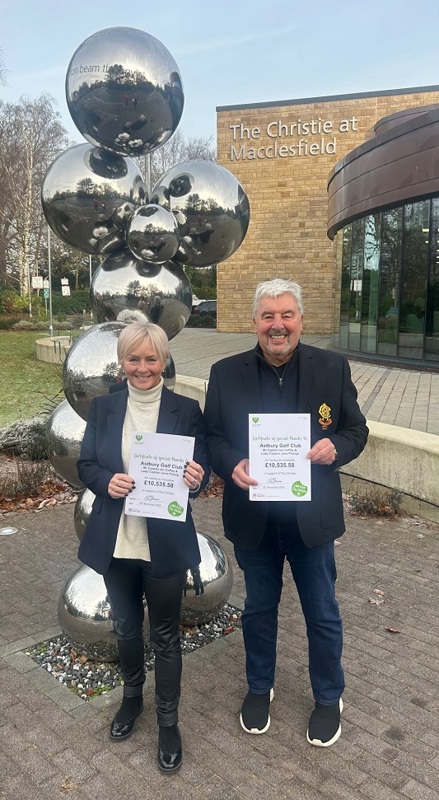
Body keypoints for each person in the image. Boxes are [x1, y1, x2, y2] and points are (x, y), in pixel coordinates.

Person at [204, 279, 368, 747]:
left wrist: (334, 446)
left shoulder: (332, 368)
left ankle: (329, 696)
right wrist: (231, 462)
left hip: (310, 520)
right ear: (255, 322)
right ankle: (260, 687)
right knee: (258, 609)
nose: (278, 325)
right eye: (268, 316)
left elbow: (357, 430)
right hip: (254, 518)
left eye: (286, 315)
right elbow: (213, 435)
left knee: (322, 612)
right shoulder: (225, 372)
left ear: (300, 319)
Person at [77, 321, 209, 773]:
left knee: (166, 636)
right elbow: (86, 462)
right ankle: (132, 698)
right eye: (134, 358)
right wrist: (103, 480)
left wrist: (197, 479)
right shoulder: (104, 409)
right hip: (118, 541)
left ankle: (168, 720)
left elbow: (202, 469)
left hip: (164, 544)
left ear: (164, 360)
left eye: (151, 359)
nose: (143, 367)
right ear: (122, 362)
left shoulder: (186, 409)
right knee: (127, 630)